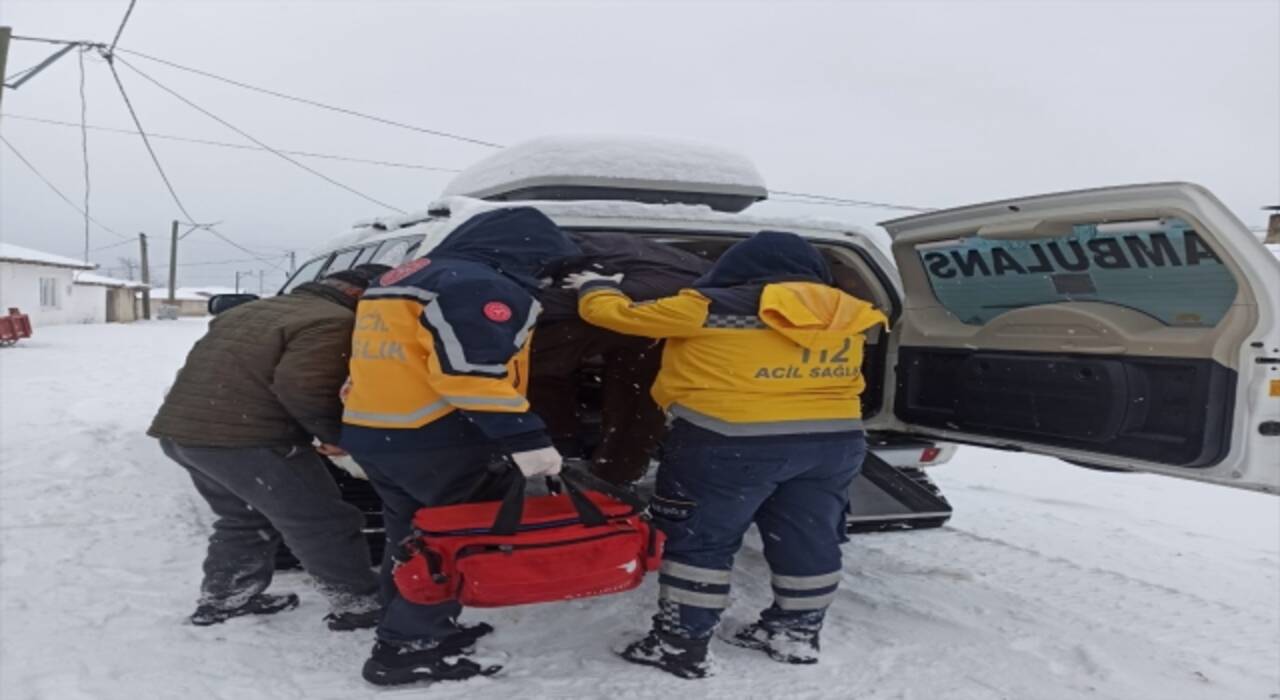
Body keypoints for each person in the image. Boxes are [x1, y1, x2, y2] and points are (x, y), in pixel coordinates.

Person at [568, 231, 888, 679]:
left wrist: (594, 285)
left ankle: (678, 645)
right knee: (810, 537)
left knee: (702, 541)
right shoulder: (848, 310)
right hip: (833, 445)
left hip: (729, 442)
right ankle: (795, 633)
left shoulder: (707, 305)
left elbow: (614, 316)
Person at [340, 207, 579, 687]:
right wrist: (528, 440)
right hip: (437, 438)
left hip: (378, 430)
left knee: (410, 536)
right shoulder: (480, 285)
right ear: (526, 250)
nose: (544, 276)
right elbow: (470, 375)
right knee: (452, 544)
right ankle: (405, 650)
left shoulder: (400, 277)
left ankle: (413, 623)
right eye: (545, 266)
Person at [149, 264, 391, 630]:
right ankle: (358, 602)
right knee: (324, 521)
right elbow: (303, 387)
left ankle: (226, 598)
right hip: (247, 440)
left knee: (245, 517)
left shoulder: (254, 310)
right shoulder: (334, 321)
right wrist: (334, 436)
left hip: (185, 434)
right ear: (361, 295)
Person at [530, 233, 710, 484]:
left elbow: (541, 310)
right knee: (641, 393)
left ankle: (567, 452)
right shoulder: (605, 245)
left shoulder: (556, 259)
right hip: (676, 314)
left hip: (625, 305)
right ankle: (616, 473)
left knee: (539, 366)